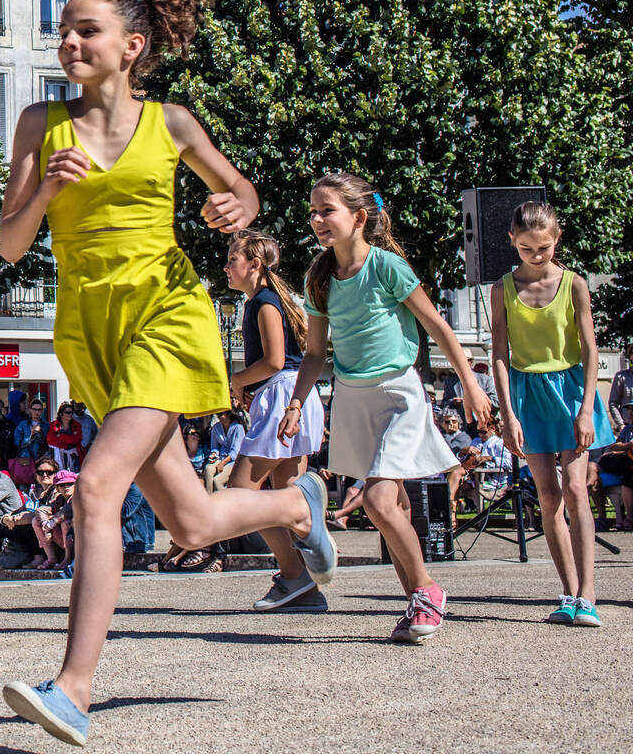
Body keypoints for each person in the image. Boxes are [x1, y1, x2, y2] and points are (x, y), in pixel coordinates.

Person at [0, 0, 335, 746]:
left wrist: (237, 205)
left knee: (95, 488)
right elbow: (11, 243)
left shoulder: (171, 123)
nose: (69, 43)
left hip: (166, 315)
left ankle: (74, 687)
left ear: (131, 47)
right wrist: (45, 191)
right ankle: (294, 505)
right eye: (64, 31)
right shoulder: (38, 123)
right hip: (91, 328)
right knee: (191, 518)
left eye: (86, 31)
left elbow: (238, 188)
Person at [288, 172, 492, 647]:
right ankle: (416, 604)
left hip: (399, 393)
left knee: (379, 502)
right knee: (393, 505)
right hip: (352, 398)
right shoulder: (318, 277)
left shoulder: (387, 267)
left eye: (327, 211)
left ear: (359, 217)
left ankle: (427, 588)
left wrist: (472, 387)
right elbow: (316, 353)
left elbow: (439, 328)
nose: (317, 220)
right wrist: (297, 401)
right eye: (313, 212)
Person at [489, 201, 608, 627]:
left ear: (556, 239)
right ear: (512, 243)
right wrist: (508, 415)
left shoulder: (575, 284)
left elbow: (591, 349)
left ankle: (588, 593)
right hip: (527, 392)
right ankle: (567, 591)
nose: (536, 256)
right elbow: (499, 353)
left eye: (543, 248)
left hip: (572, 389)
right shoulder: (501, 288)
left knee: (577, 489)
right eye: (526, 249)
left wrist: (587, 410)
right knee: (548, 497)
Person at [222, 228, 329, 613]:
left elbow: (274, 361)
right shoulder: (268, 299)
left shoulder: (262, 303)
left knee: (241, 494)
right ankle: (304, 585)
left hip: (284, 392)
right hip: (294, 394)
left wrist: (236, 380)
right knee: (288, 493)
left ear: (253, 264)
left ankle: (296, 572)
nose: (226, 267)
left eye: (233, 260)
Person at [45, 403, 87, 472]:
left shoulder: (77, 425)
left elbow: (78, 439)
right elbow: (50, 440)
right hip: (57, 455)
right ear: (61, 414)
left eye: (71, 412)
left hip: (74, 457)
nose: (70, 414)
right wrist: (68, 441)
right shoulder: (54, 425)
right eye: (67, 412)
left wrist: (60, 436)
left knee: (74, 477)